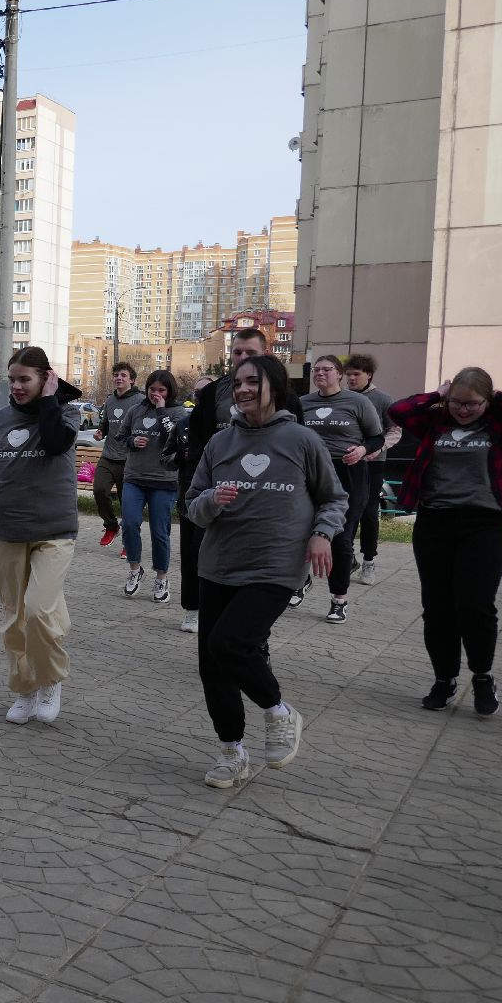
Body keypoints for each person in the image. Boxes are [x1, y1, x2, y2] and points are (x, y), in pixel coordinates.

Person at [186, 354, 343, 788]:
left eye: (252, 381)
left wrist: (322, 534)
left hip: (275, 566)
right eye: (237, 383)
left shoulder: (301, 440)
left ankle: (279, 712)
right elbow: (193, 505)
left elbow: (334, 497)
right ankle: (232, 753)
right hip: (218, 564)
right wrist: (212, 500)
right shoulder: (220, 443)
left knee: (231, 643)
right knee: (212, 666)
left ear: (275, 385)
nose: (242, 390)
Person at [390, 369, 502, 715]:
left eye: (473, 404)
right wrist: (437, 396)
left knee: (476, 604)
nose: (463, 411)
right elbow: (399, 411)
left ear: (487, 400)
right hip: (435, 522)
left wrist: (496, 398)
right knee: (437, 608)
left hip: (483, 525)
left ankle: (482, 675)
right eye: (457, 403)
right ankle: (444, 679)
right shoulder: (435, 423)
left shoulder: (499, 425)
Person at [0, 347, 82, 724]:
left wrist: (48, 399)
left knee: (40, 610)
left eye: (24, 379)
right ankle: (24, 688)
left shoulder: (65, 412)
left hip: (54, 529)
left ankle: (50, 681)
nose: (15, 386)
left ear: (46, 378)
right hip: (9, 528)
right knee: (14, 617)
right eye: (12, 379)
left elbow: (55, 442)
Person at [184, 328, 297, 622]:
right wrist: (200, 486)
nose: (243, 358)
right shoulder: (212, 393)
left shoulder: (287, 399)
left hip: (266, 500)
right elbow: (197, 442)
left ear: (266, 354)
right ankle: (194, 609)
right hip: (215, 491)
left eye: (251, 353)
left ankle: (255, 637)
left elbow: (301, 457)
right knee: (199, 550)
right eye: (238, 352)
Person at [299, 354, 385, 623]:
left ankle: (339, 599)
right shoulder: (303, 403)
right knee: (302, 531)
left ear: (339, 373)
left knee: (340, 537)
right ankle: (300, 581)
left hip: (348, 473)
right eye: (316, 370)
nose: (320, 374)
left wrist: (362, 450)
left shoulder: (358, 402)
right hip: (311, 474)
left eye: (326, 369)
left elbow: (377, 437)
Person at [120, 370, 186, 604]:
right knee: (128, 523)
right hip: (135, 477)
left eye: (161, 390)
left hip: (164, 481)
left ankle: (162, 576)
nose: (156, 394)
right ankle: (135, 569)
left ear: (169, 391)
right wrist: (132, 441)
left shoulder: (178, 412)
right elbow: (121, 436)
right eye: (152, 389)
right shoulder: (136, 410)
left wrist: (161, 410)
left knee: (160, 531)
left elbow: (177, 438)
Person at [342, 354, 401, 586]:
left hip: (373, 464)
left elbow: (395, 431)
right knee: (345, 512)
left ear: (369, 375)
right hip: (346, 463)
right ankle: (348, 558)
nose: (352, 379)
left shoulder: (382, 399)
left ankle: (369, 560)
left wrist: (378, 448)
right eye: (348, 375)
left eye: (356, 374)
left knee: (368, 512)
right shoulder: (343, 398)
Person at [167, 376, 215, 632]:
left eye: (205, 392)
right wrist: (179, 457)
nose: (199, 396)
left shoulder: (226, 425)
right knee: (191, 554)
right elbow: (166, 458)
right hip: (190, 499)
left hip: (222, 500)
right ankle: (191, 609)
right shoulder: (184, 424)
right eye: (196, 392)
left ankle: (215, 608)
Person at [93, 363, 144, 548]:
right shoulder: (109, 400)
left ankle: (129, 541)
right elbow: (105, 424)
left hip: (129, 460)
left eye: (123, 375)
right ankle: (111, 526)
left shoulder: (141, 400)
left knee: (127, 503)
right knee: (99, 490)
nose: (119, 378)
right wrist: (100, 432)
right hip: (108, 456)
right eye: (116, 375)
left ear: (132, 379)